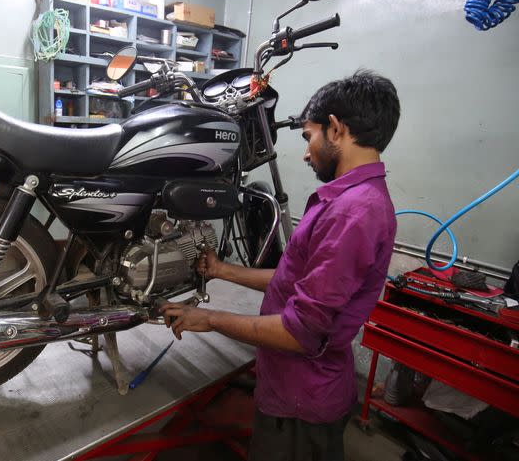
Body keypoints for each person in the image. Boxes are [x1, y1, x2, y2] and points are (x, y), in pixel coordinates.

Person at [162, 70, 401, 461]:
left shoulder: (354, 213)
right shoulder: (349, 202)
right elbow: (298, 281)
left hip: (300, 404)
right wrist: (223, 270)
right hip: (291, 388)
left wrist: (209, 319)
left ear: (336, 129)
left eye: (309, 136)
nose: (307, 152)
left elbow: (298, 333)